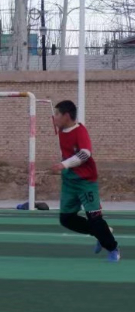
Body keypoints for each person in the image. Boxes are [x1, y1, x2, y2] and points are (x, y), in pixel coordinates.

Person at [50, 100, 120, 262]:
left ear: (67, 116)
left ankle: (112, 248)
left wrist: (64, 164)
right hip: (69, 182)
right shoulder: (61, 129)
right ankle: (102, 233)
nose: (54, 117)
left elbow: (85, 154)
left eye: (57, 114)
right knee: (66, 219)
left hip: (86, 182)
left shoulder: (80, 131)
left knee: (95, 219)